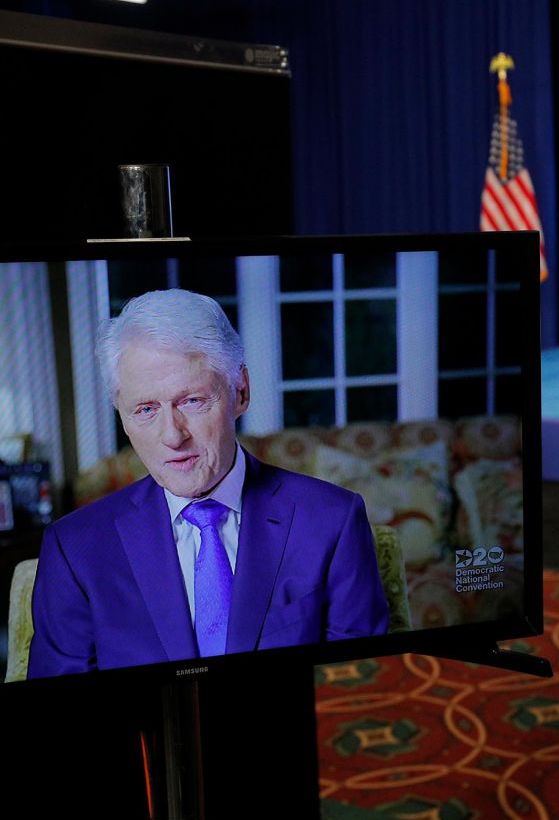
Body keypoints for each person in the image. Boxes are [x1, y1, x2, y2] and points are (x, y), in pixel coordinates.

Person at [28, 289, 389, 677]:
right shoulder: (75, 549)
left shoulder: (331, 520)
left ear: (241, 392)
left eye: (192, 401)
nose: (172, 435)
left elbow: (357, 692)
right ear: (122, 415)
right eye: (146, 409)